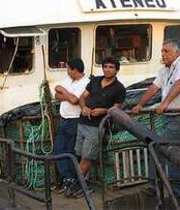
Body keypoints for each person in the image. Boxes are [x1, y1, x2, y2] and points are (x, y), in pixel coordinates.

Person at [132, 39, 180, 203]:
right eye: (162, 51)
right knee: (172, 151)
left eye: (166, 51)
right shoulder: (164, 70)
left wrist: (165, 103)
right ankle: (176, 190)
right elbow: (154, 88)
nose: (163, 54)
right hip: (170, 117)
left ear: (177, 52)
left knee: (159, 147)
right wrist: (140, 104)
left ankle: (157, 187)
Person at [67, 57, 126, 198]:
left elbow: (116, 109)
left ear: (117, 70)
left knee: (88, 157)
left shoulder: (119, 88)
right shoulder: (94, 81)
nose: (107, 69)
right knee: (80, 154)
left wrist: (103, 111)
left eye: (111, 67)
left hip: (97, 126)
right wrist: (84, 108)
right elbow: (82, 97)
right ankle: (84, 184)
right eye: (105, 66)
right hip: (83, 122)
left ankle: (77, 184)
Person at [53, 58, 90, 193]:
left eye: (68, 69)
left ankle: (72, 180)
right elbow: (56, 92)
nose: (67, 71)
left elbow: (76, 100)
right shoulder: (68, 80)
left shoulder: (86, 82)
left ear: (74, 70)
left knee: (71, 151)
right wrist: (65, 92)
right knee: (58, 149)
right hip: (64, 119)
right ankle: (68, 178)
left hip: (75, 121)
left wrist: (65, 93)